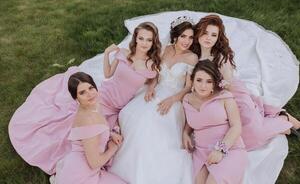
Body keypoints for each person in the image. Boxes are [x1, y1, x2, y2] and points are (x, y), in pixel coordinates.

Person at [8, 22, 161, 175]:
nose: (144, 43)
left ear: (154, 41)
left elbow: (154, 78)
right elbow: (108, 74)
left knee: (98, 135)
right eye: (141, 38)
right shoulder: (124, 53)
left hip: (117, 106)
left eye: (149, 40)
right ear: (136, 38)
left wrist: (151, 88)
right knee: (77, 126)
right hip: (104, 96)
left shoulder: (151, 64)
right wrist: (107, 54)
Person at [109, 16, 198, 184]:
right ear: (176, 36)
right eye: (183, 36)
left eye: (191, 37)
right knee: (130, 115)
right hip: (157, 89)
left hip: (175, 97)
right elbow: (156, 74)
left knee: (152, 124)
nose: (187, 41)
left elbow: (188, 87)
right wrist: (150, 87)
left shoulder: (191, 57)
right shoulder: (165, 49)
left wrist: (172, 100)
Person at [192, 14, 300, 150]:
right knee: (232, 137)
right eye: (205, 33)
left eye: (213, 35)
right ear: (199, 32)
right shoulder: (194, 57)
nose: (208, 38)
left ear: (218, 38)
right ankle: (282, 125)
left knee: (250, 137)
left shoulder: (220, 57)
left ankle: (283, 120)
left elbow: (228, 82)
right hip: (216, 102)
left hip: (233, 96)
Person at [182, 60, 248, 184]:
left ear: (214, 83)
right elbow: (193, 121)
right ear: (193, 80)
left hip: (229, 149)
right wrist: (185, 133)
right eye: (199, 80)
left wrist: (220, 150)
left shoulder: (224, 97)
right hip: (201, 152)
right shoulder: (187, 100)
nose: (203, 86)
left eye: (209, 81)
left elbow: (236, 126)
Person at [55, 72, 127, 184]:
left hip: (81, 166)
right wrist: (113, 149)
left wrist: (110, 134)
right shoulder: (88, 120)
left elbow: (95, 131)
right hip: (82, 175)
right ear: (76, 98)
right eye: (82, 92)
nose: (90, 94)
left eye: (90, 88)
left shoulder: (92, 105)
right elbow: (94, 163)